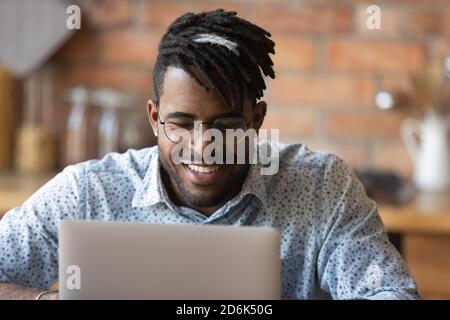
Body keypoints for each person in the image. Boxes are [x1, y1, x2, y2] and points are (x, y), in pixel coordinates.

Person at [0, 9, 419, 300]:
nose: (202, 147)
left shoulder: (321, 187)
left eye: (226, 125)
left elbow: (393, 292)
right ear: (153, 118)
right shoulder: (89, 192)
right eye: (181, 124)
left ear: (256, 119)